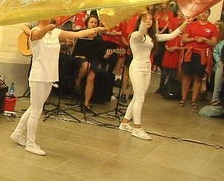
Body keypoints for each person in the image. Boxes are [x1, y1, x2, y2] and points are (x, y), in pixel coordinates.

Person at [10, 20, 104, 156]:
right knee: (36, 111)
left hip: (50, 76)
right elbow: (37, 35)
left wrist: (97, 30)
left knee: (34, 108)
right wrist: (46, 28)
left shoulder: (56, 32)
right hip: (38, 76)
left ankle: (18, 133)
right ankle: (30, 143)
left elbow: (79, 34)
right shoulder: (34, 31)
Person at [118, 12, 189, 139]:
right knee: (139, 97)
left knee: (138, 97)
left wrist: (184, 24)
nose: (149, 21)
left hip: (147, 68)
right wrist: (143, 20)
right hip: (137, 67)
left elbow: (171, 35)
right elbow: (140, 31)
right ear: (140, 22)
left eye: (150, 19)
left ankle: (124, 123)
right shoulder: (135, 35)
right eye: (145, 19)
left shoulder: (151, 37)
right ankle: (137, 128)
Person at [180, 9, 219, 109]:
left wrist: (205, 40)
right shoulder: (192, 25)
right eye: (202, 12)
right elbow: (184, 39)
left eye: (206, 12)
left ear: (209, 14)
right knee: (187, 76)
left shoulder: (212, 27)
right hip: (190, 53)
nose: (203, 14)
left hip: (203, 55)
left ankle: (194, 100)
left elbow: (214, 43)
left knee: (198, 78)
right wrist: (194, 39)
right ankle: (183, 98)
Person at [209, 23, 224, 106]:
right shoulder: (219, 43)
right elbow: (215, 52)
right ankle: (213, 102)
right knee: (216, 86)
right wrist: (219, 61)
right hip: (218, 66)